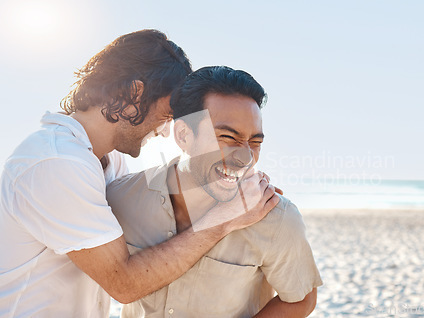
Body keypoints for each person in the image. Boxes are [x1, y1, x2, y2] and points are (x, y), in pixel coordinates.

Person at [0, 30, 279, 318]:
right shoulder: (56, 163)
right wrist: (224, 219)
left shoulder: (108, 159)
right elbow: (124, 283)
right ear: (136, 93)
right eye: (168, 114)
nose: (166, 130)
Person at [106, 66, 323, 317]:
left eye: (255, 142)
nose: (245, 157)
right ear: (184, 135)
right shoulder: (121, 200)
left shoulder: (278, 217)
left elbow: (301, 299)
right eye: (228, 138)